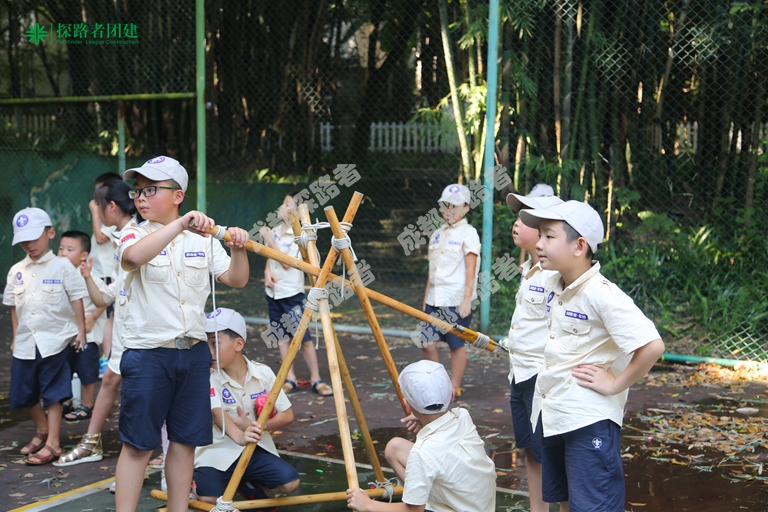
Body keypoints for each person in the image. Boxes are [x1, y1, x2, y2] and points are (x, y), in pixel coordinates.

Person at [116, 156, 250, 512]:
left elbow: (236, 279)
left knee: (185, 441)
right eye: (137, 191)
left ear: (178, 196)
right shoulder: (133, 233)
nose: (140, 198)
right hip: (147, 354)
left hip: (192, 354)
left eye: (150, 190)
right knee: (138, 445)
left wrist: (237, 248)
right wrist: (181, 224)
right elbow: (132, 258)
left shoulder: (204, 240)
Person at [519, 201, 665, 511]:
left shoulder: (602, 293)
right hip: (555, 414)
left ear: (579, 246)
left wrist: (615, 384)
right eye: (540, 235)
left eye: (549, 236)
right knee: (565, 501)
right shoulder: (554, 284)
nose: (539, 243)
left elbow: (652, 346)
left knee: (593, 506)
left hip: (588, 421)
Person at [55, 179, 136, 468]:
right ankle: (92, 442)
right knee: (112, 378)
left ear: (111, 206)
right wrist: (89, 277)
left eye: (98, 204)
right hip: (126, 320)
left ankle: (154, 451)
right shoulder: (119, 236)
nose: (96, 210)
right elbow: (113, 291)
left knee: (144, 387)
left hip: (146, 329)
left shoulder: (136, 236)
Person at [346, 360, 496, 512]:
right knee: (394, 447)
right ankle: (420, 497)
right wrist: (423, 417)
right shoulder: (463, 415)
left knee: (413, 504)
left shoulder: (422, 452)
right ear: (452, 394)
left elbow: (414, 510)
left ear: (407, 405)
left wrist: (367, 505)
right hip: (481, 506)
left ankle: (422, 501)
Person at [3, 207, 88, 465]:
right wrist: (16, 336)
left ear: (50, 233)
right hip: (27, 342)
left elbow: (77, 297)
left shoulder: (62, 266)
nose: (30, 244)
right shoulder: (16, 270)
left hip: (55, 340)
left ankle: (53, 443)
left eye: (34, 238)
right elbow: (14, 307)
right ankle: (41, 429)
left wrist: (81, 330)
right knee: (24, 393)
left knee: (53, 393)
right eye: (24, 240)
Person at [195, 307, 300, 504]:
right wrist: (239, 434)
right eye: (205, 344)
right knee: (208, 498)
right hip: (215, 452)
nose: (208, 351)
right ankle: (200, 483)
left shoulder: (263, 373)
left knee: (290, 483)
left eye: (214, 343)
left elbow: (287, 415)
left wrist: (252, 426)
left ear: (238, 344)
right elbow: (217, 414)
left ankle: (248, 483)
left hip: (253, 448)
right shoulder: (207, 375)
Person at [504, 185, 568, 512]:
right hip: (520, 374)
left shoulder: (556, 275)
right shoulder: (530, 271)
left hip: (540, 378)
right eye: (518, 217)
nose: (518, 224)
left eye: (527, 219)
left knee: (550, 454)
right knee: (530, 451)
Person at [258, 192, 332, 396]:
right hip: (273, 293)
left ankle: (316, 379)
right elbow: (271, 258)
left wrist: (268, 240)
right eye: (284, 204)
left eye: (289, 205)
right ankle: (289, 378)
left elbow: (286, 263)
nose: (284, 208)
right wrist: (266, 271)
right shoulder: (275, 231)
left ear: (298, 213)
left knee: (303, 338)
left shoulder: (300, 236)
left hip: (292, 294)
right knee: (281, 337)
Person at [419, 184, 480, 393]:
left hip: (456, 300)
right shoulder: (437, 234)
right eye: (445, 205)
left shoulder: (469, 233)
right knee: (427, 343)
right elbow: (432, 269)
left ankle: (453, 388)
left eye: (454, 206)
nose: (449, 210)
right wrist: (426, 297)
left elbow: (471, 268)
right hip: (434, 299)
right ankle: (438, 384)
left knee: (456, 345)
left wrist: (467, 299)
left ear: (466, 207)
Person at [57, 230, 106, 423]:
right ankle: (66, 400)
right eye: (61, 248)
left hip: (88, 334)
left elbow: (105, 298)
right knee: (64, 369)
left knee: (87, 371)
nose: (63, 253)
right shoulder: (56, 273)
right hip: (65, 334)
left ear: (83, 255)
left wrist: (93, 317)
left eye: (69, 250)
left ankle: (87, 405)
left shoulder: (88, 275)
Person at [89, 172, 122, 375]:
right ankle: (107, 357)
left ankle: (108, 358)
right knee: (107, 316)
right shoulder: (106, 213)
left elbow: (101, 237)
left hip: (108, 272)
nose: (96, 198)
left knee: (108, 316)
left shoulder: (112, 216)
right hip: (99, 270)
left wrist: (95, 212)